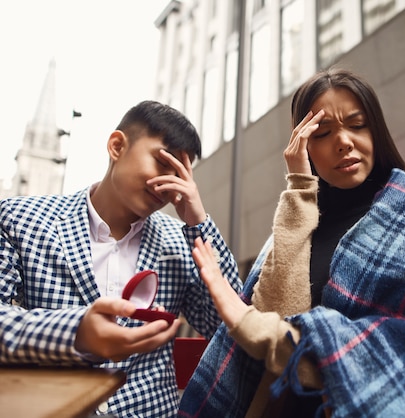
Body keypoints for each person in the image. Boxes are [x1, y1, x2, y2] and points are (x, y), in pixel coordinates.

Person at [179, 68, 405, 417]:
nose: (343, 141)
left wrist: (242, 317)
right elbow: (278, 319)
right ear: (305, 145)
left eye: (357, 125)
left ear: (376, 132)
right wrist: (298, 186)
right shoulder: (298, 219)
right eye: (323, 133)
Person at [0, 100, 242, 418]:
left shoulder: (182, 241)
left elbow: (231, 323)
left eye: (180, 174)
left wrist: (198, 223)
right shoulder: (20, 218)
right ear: (117, 146)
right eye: (161, 162)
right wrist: (76, 333)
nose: (167, 185)